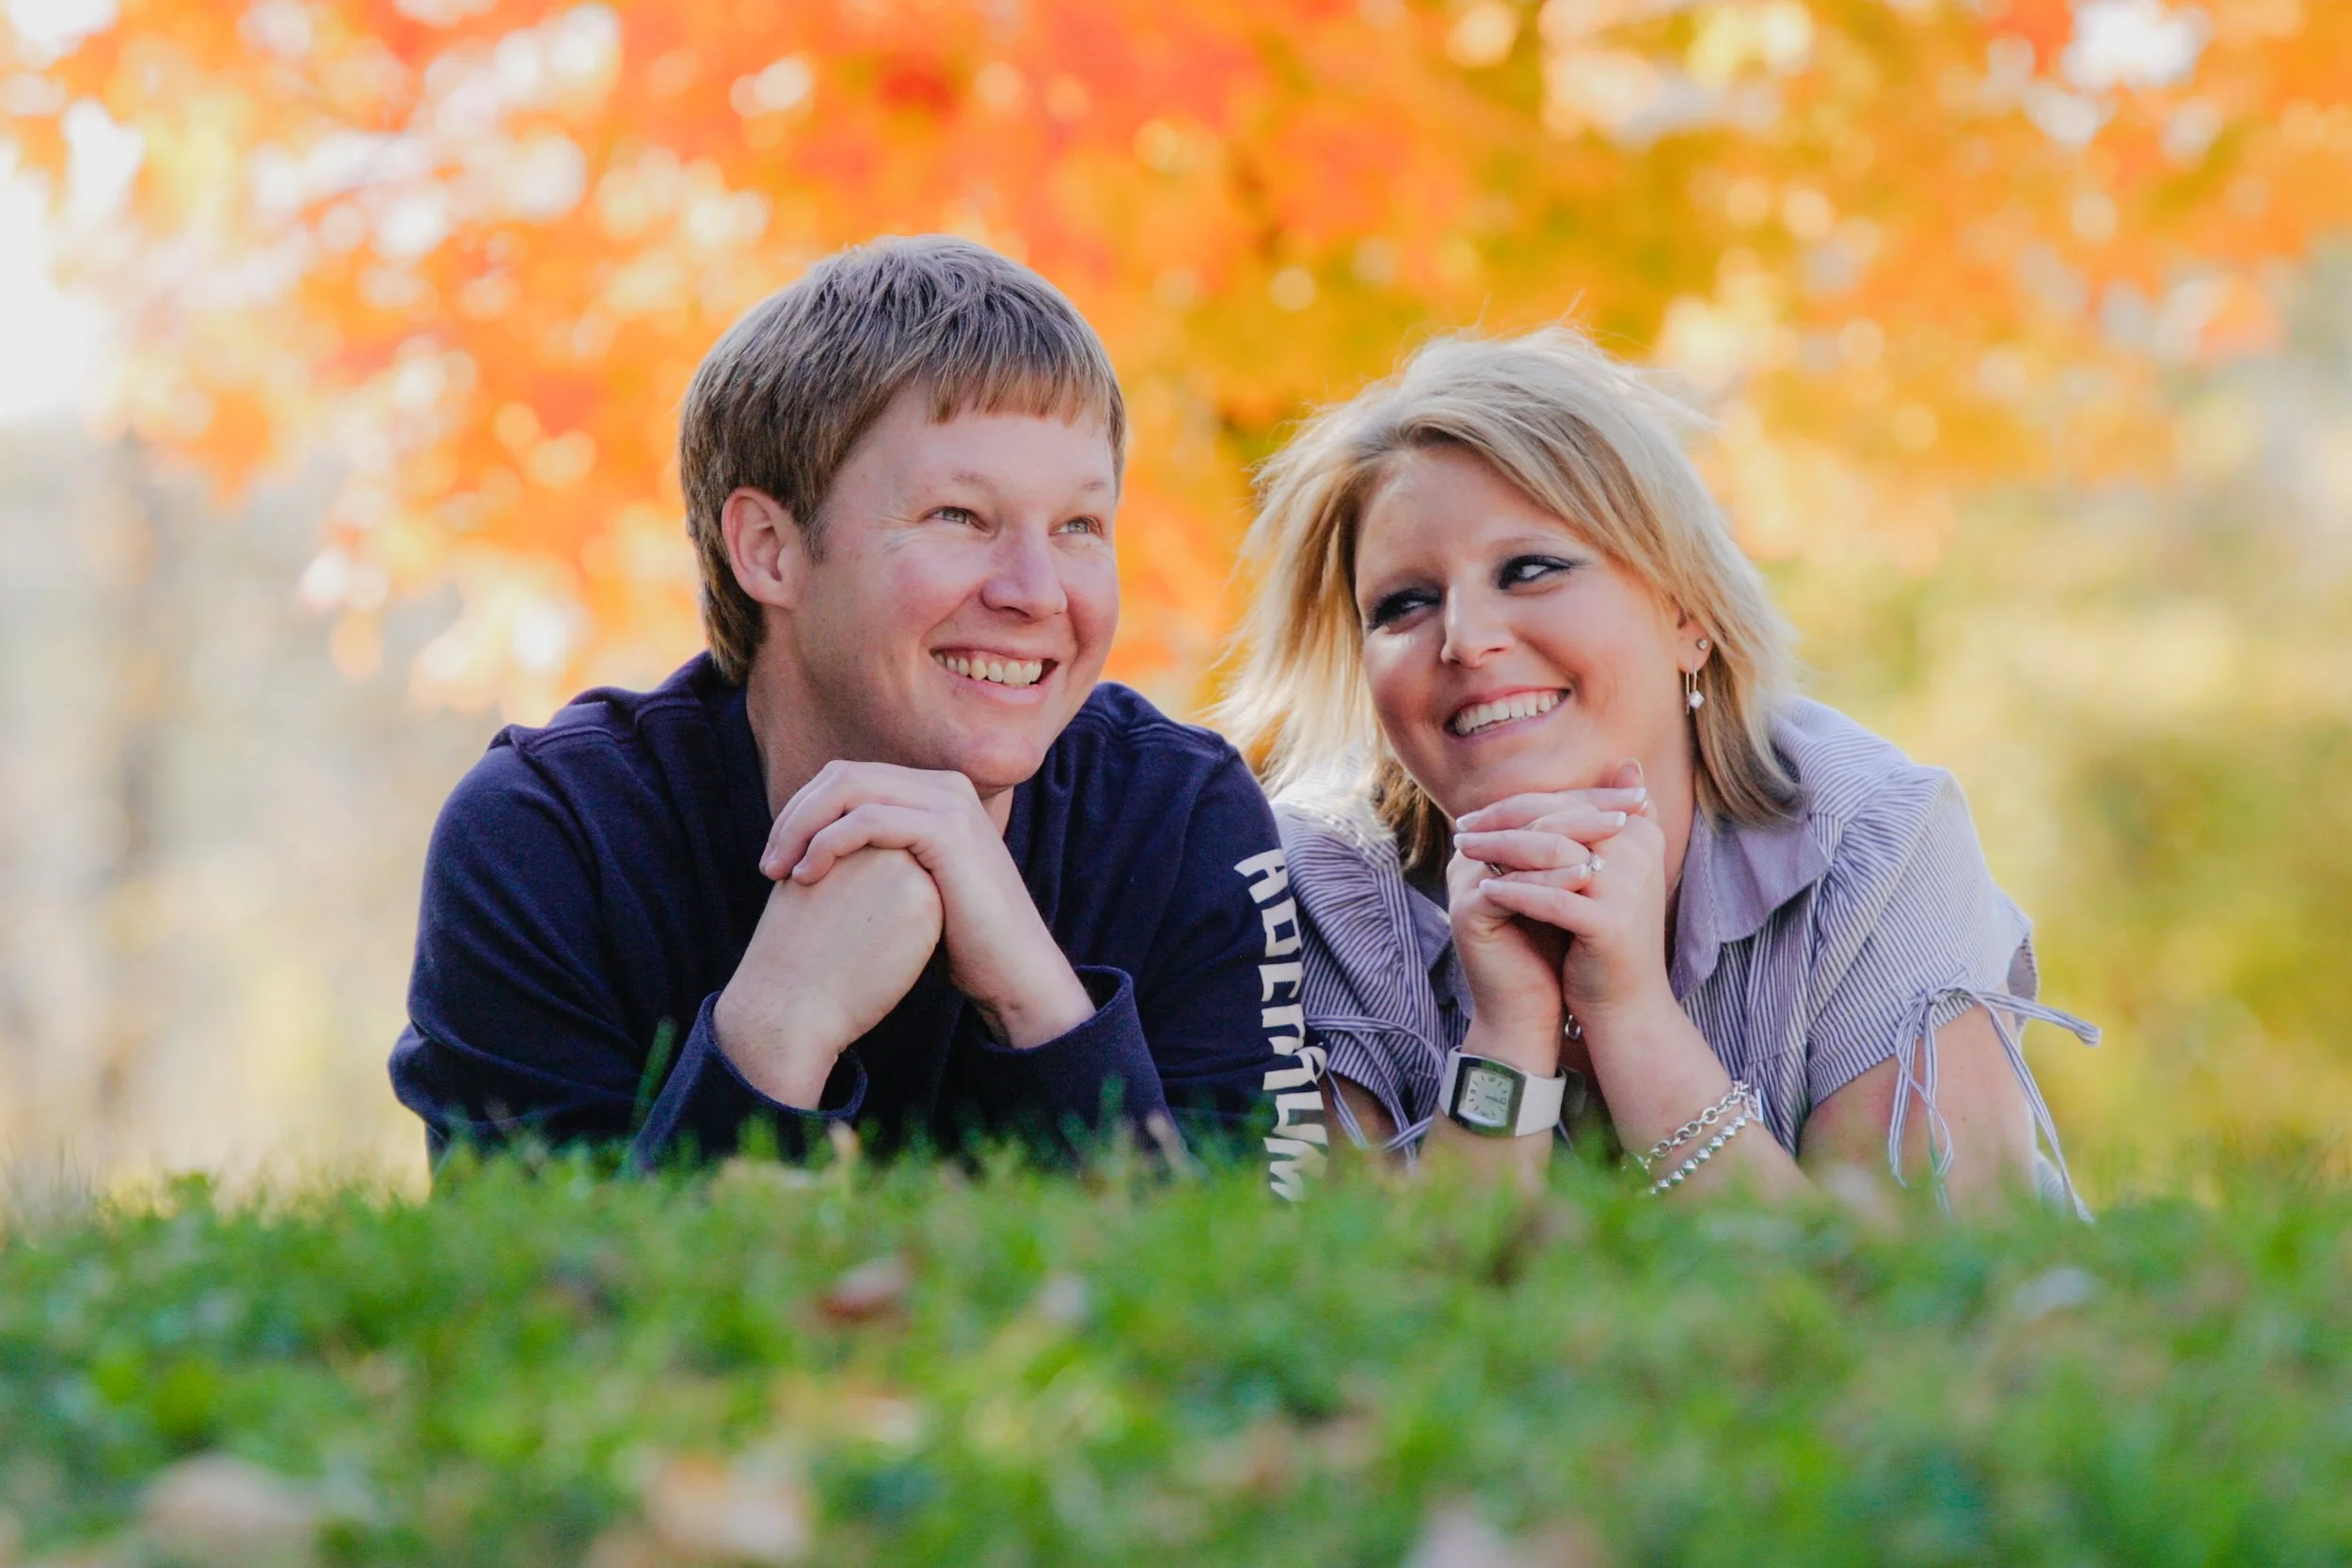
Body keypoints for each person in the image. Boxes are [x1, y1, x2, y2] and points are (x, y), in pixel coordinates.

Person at [391, 236, 1324, 1196]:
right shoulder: (552, 840)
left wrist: (1036, 1000)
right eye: (958, 516)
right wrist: (774, 1032)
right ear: (770, 548)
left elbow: (1249, 1265)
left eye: (1079, 525)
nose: (1038, 591)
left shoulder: (1184, 817)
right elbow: (541, 1279)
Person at [1218, 326, 2096, 1212]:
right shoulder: (1313, 884)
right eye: (1405, 603)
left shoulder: (1871, 839)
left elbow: (1926, 1280)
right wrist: (1508, 1033)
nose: (1466, 639)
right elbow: (1372, 1290)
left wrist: (1632, 1015)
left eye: (1530, 569)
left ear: (1688, 615)